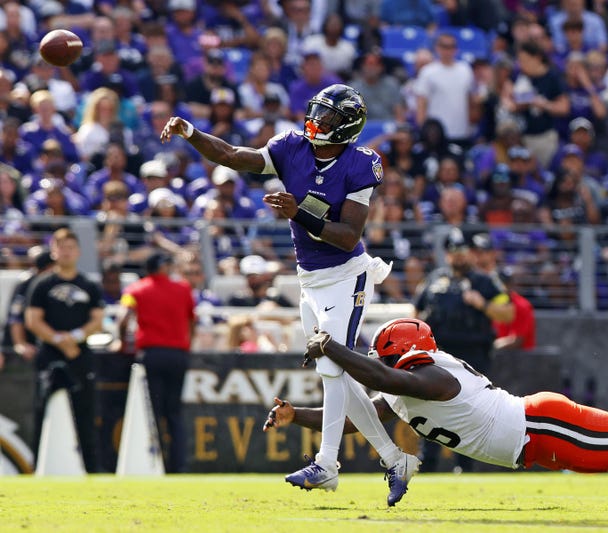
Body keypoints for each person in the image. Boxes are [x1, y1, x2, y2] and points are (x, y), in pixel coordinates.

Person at [160, 83, 418, 505]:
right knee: (337, 377)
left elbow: (349, 234)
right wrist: (191, 133)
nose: (318, 121)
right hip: (308, 279)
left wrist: (299, 212)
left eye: (329, 117)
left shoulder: (360, 163)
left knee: (333, 367)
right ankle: (394, 457)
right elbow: (231, 156)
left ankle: (328, 465)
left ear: (347, 125)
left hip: (345, 273)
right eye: (317, 112)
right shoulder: (290, 146)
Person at [265, 318, 608, 506]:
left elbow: (384, 378)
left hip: (539, 426)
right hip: (531, 441)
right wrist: (298, 416)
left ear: (404, 352)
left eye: (387, 353)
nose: (382, 361)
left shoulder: (432, 375)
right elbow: (358, 418)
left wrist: (331, 346)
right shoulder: (409, 380)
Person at [413, 227, 514, 472]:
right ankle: (428, 463)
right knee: (432, 407)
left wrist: (483, 303)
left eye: (463, 250)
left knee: (470, 411)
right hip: (440, 356)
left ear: (471, 253)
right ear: (447, 254)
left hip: (473, 356)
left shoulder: (485, 281)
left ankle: (465, 466)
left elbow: (508, 313)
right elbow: (416, 316)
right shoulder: (435, 280)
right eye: (453, 251)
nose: (458, 256)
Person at [24, 228, 105, 472]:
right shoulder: (42, 284)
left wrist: (76, 337)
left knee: (85, 411)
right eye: (62, 247)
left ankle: (90, 469)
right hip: (50, 354)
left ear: (78, 251)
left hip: (80, 354)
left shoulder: (89, 285)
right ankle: (39, 467)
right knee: (43, 410)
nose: (67, 252)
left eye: (71, 247)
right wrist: (59, 340)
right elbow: (32, 320)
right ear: (54, 251)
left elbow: (98, 320)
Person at [118, 251, 196, 473]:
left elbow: (123, 319)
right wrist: (186, 344)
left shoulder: (135, 290)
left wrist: (122, 342)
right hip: (178, 354)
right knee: (174, 413)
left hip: (151, 354)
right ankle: (177, 465)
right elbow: (192, 322)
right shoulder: (183, 288)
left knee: (151, 412)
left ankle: (154, 462)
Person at [0, 246, 54, 368]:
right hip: (20, 348)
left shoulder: (53, 283)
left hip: (42, 345)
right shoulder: (27, 284)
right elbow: (16, 316)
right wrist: (21, 343)